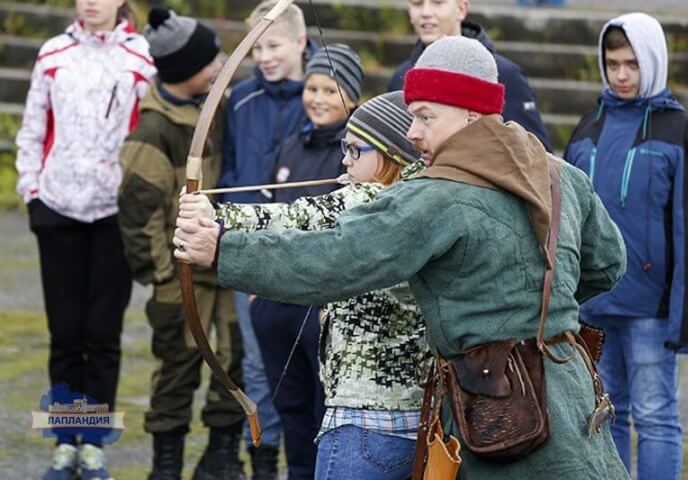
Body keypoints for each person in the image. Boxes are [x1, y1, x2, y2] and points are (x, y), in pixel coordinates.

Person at [174, 36, 630, 479]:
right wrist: (538, 310)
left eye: (425, 116)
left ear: (472, 113)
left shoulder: (438, 194)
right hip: (571, 391)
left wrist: (221, 249)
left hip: (502, 412)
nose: (412, 133)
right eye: (412, 116)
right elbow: (607, 263)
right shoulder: (558, 174)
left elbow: (338, 259)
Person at [179, 91, 427, 480]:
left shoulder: (370, 199)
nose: (344, 158)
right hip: (420, 419)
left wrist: (215, 215)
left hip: (360, 421)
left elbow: (299, 218)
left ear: (390, 154)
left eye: (355, 149)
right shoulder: (423, 197)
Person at [564, 13, 688, 480]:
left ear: (652, 61)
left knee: (655, 416)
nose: (622, 74)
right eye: (613, 63)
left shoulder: (679, 130)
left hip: (650, 307)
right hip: (594, 303)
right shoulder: (589, 127)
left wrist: (686, 319)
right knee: (607, 414)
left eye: (632, 63)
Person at [14, 0, 155, 478]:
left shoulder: (141, 57)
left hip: (114, 215)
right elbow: (32, 130)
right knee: (66, 332)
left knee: (103, 332)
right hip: (57, 209)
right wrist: (32, 193)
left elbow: (151, 134)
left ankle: (94, 442)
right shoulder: (53, 53)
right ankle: (64, 439)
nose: (91, 1)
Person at [116, 8, 248, 480]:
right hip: (182, 277)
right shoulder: (154, 130)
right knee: (177, 366)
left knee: (234, 361)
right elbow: (137, 217)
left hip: (225, 263)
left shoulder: (216, 108)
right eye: (210, 60)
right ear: (184, 72)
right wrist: (166, 276)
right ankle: (165, 465)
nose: (219, 65)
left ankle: (221, 456)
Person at [249, 43, 364, 480]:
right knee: (291, 408)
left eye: (330, 90)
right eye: (312, 88)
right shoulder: (290, 145)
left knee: (323, 408)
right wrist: (259, 289)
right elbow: (268, 214)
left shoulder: (357, 155)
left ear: (351, 97)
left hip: (323, 304)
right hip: (277, 300)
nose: (317, 98)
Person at [219, 2, 314, 474]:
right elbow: (231, 167)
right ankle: (261, 454)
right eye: (255, 47)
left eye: (273, 44)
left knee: (302, 354)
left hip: (303, 246)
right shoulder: (239, 99)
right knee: (256, 361)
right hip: (248, 244)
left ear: (300, 42)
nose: (264, 56)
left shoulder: (319, 94)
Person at [387, 0, 553, 151]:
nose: (425, 12)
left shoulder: (505, 74)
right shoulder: (400, 77)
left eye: (438, 3)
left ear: (461, 8)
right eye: (417, 4)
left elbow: (537, 153)